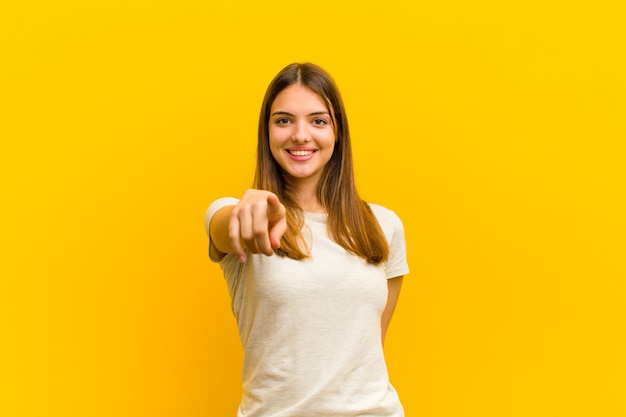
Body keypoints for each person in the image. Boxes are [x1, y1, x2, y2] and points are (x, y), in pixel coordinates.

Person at [204, 62, 409, 417]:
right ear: (266, 132)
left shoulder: (382, 225)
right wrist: (249, 207)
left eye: (318, 120)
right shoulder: (244, 218)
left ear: (337, 132)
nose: (301, 135)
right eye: (284, 120)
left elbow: (370, 347)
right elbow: (225, 226)